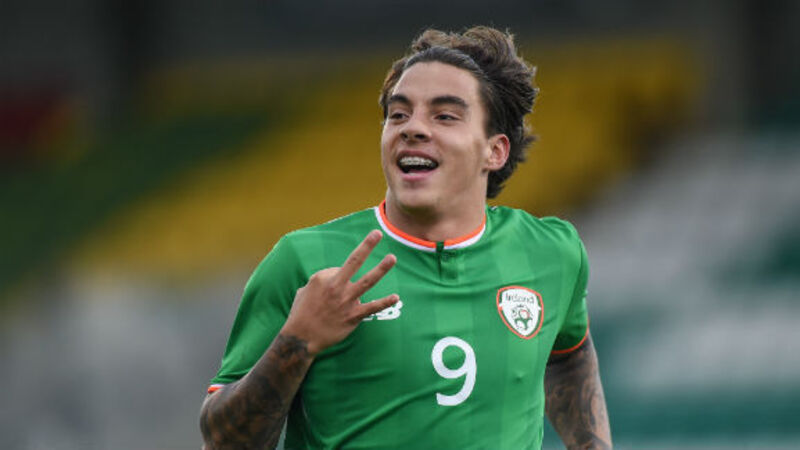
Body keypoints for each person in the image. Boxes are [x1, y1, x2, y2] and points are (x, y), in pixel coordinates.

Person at [200, 26, 611, 449]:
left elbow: (569, 356)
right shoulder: (304, 261)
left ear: (495, 151)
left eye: (444, 116)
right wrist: (297, 343)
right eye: (398, 115)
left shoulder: (552, 252)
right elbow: (222, 442)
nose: (412, 128)